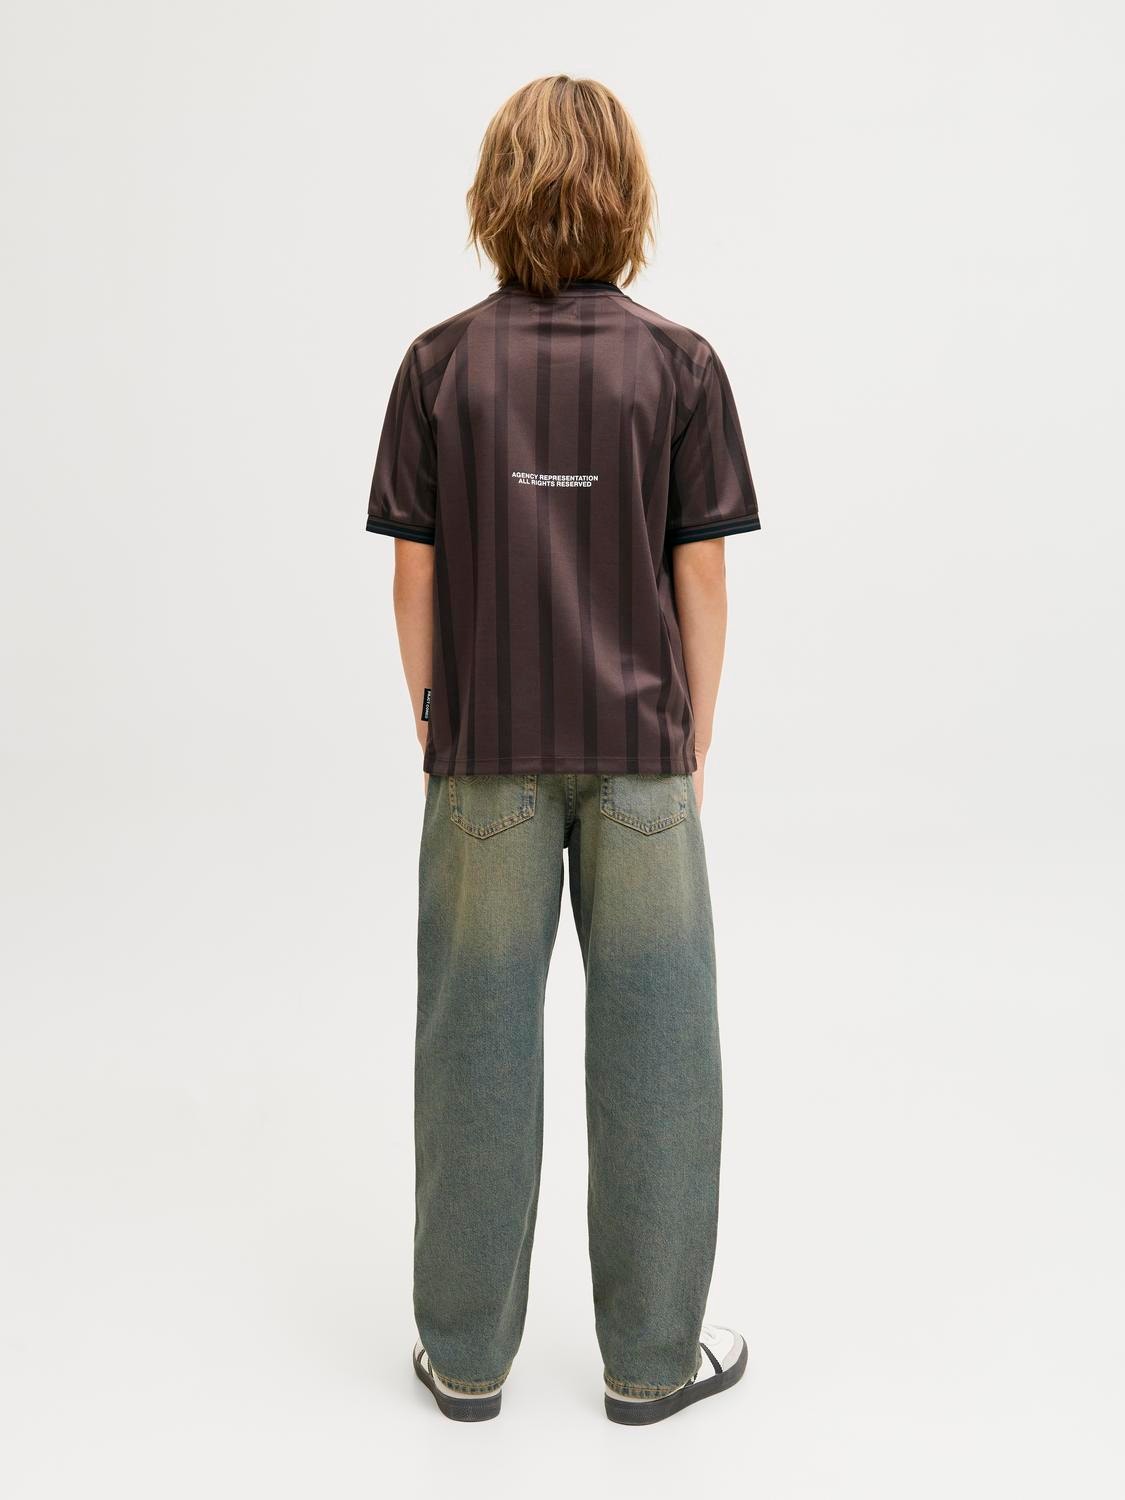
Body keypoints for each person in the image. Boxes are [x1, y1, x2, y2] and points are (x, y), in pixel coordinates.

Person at [365, 74, 760, 1426]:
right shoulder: (680, 365)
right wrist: (689, 743)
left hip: (484, 756)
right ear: (624, 195)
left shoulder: (438, 366)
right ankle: (651, 1365)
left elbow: (413, 578)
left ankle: (464, 1361)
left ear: (495, 193)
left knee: (472, 1049)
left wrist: (437, 719)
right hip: (641, 750)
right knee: (660, 1053)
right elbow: (701, 576)